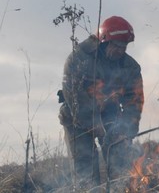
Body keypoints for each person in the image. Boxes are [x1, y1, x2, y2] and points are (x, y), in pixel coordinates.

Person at [58, 16, 144, 187]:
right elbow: (74, 96)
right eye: (117, 46)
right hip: (77, 120)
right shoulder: (79, 58)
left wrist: (127, 131)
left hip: (111, 116)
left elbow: (134, 102)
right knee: (86, 172)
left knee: (121, 168)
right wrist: (94, 123)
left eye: (124, 47)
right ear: (104, 41)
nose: (121, 51)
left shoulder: (130, 67)